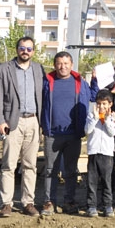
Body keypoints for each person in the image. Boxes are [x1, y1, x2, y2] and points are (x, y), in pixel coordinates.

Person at [0, 36, 45, 217]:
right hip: (12, 121)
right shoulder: (4, 69)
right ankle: (6, 203)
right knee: (8, 165)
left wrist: (43, 123)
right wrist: (0, 120)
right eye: (23, 48)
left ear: (33, 51)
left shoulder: (39, 69)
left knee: (30, 165)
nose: (25, 51)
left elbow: (43, 96)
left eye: (29, 49)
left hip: (33, 121)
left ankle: (28, 202)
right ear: (17, 49)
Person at [40, 51, 94, 215]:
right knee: (50, 170)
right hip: (52, 133)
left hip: (73, 134)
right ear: (55, 65)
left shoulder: (80, 83)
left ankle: (69, 201)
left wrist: (97, 80)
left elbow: (94, 95)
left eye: (66, 63)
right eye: (59, 63)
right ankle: (49, 202)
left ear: (71, 65)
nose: (62, 67)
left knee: (71, 170)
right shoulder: (47, 82)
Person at [85, 90, 115, 217]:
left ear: (110, 104)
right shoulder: (91, 115)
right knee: (92, 181)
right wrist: (95, 118)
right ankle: (91, 206)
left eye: (105, 104)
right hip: (93, 151)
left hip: (107, 153)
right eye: (99, 104)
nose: (102, 107)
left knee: (107, 180)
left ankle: (107, 205)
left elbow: (112, 133)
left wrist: (106, 120)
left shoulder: (112, 117)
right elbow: (87, 130)